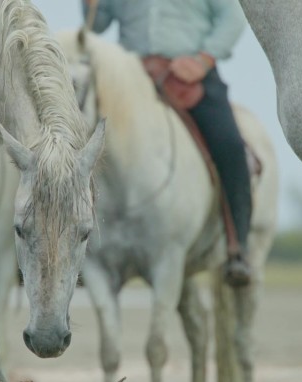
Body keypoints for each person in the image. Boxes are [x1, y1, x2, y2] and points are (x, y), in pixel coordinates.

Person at [82, 0, 253, 287]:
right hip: (129, 78)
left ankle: (237, 245)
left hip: (189, 77)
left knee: (231, 147)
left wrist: (203, 60)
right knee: (83, 143)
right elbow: (97, 23)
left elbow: (232, 18)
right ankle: (80, 245)